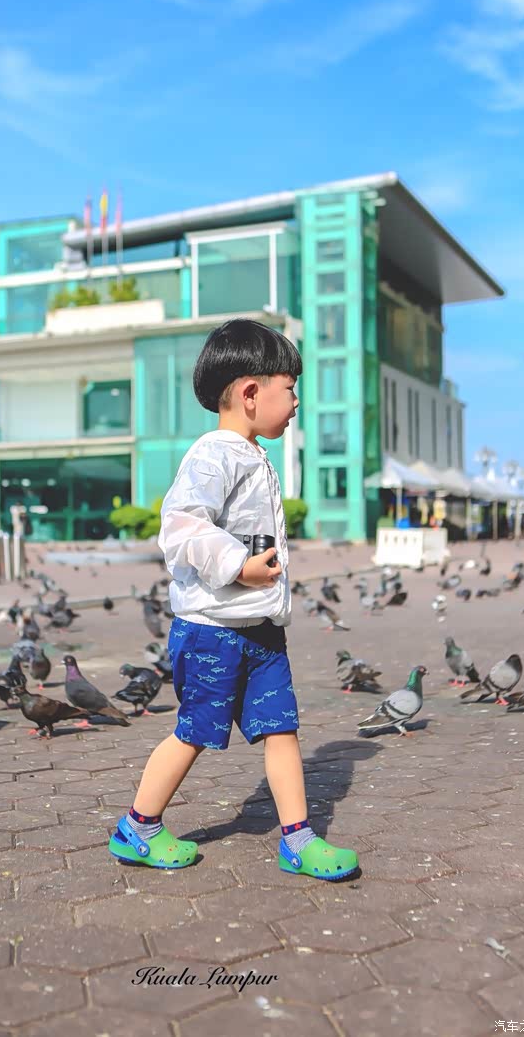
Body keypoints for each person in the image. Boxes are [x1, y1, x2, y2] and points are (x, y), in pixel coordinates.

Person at [108, 318, 359, 880]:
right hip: (211, 631)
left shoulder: (252, 454)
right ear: (250, 393)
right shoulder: (212, 455)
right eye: (289, 389)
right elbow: (181, 526)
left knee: (281, 728)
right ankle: (137, 827)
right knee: (195, 731)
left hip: (260, 629)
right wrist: (236, 566)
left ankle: (298, 839)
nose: (296, 402)